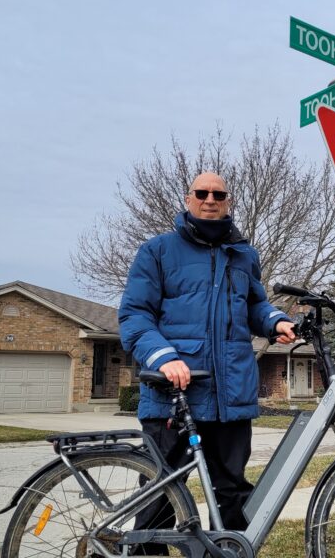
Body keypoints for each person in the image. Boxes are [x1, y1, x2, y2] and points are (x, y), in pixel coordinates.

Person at [119, 171, 296, 549]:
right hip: (173, 394)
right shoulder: (158, 251)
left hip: (230, 397)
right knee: (160, 496)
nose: (210, 199)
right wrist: (163, 356)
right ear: (188, 199)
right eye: (202, 192)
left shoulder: (244, 255)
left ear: (228, 201)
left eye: (219, 193)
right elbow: (134, 316)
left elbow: (253, 305)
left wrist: (274, 320)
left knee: (231, 491)